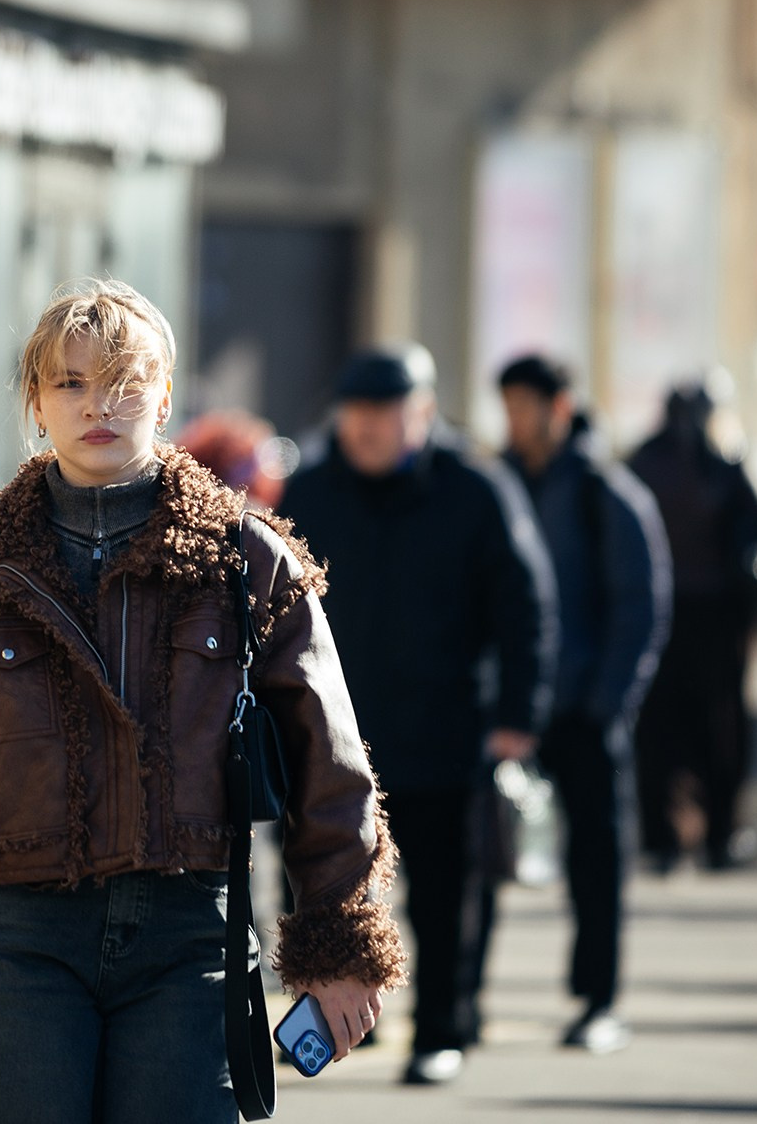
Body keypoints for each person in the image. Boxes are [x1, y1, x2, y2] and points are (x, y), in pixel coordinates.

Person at [0, 280, 404, 1124]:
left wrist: (342, 945)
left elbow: (331, 767)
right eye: (69, 382)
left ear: (166, 395)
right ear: (36, 402)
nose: (97, 405)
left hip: (189, 939)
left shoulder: (244, 557)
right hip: (17, 945)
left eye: (123, 381)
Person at [279, 344, 557, 1086]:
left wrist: (518, 717)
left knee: (446, 895)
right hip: (333, 739)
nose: (366, 427)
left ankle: (443, 1027)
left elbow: (526, 607)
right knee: (325, 886)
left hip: (447, 731)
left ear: (423, 411)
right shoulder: (312, 490)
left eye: (384, 411)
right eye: (355, 412)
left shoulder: (476, 489)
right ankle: (330, 1021)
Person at [497, 355, 671, 1055]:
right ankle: (459, 1003)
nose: (514, 420)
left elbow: (642, 606)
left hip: (585, 710)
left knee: (596, 863)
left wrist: (606, 703)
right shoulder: (498, 484)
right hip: (513, 707)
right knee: (482, 856)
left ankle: (598, 999)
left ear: (559, 408)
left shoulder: (607, 492)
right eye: (507, 406)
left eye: (525, 406)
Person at [629, 381, 757, 873]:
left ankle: (680, 836)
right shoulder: (720, 462)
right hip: (695, 612)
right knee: (698, 728)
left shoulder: (655, 463)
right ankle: (701, 835)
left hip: (699, 613)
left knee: (683, 728)